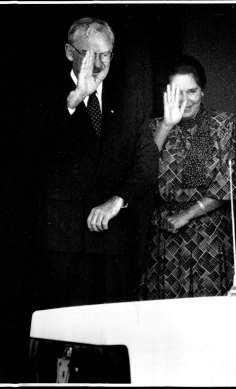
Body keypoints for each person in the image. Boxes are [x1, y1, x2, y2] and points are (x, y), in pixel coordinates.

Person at [33, 17, 159, 309]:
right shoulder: (42, 94)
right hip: (62, 246)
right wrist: (74, 100)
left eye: (106, 55)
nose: (100, 64)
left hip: (113, 245)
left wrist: (119, 200)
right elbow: (29, 152)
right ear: (69, 52)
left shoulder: (131, 99)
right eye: (91, 55)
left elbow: (146, 163)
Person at [138, 55, 236, 299]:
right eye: (178, 92)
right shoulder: (153, 128)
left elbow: (229, 182)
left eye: (192, 91)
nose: (185, 100)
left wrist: (187, 215)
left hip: (210, 237)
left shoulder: (225, 125)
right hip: (165, 237)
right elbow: (141, 173)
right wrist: (167, 124)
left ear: (203, 91)